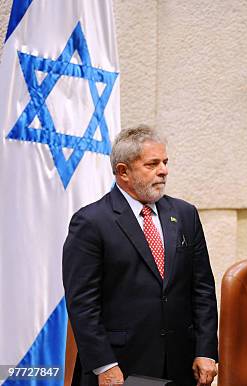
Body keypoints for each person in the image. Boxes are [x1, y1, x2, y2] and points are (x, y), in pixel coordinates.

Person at [63, 125, 218, 386]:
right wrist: (104, 365)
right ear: (123, 171)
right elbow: (82, 303)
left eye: (165, 162)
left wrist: (205, 350)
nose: (164, 170)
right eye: (152, 164)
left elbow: (202, 288)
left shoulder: (185, 214)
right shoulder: (91, 222)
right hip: (120, 367)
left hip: (181, 364)